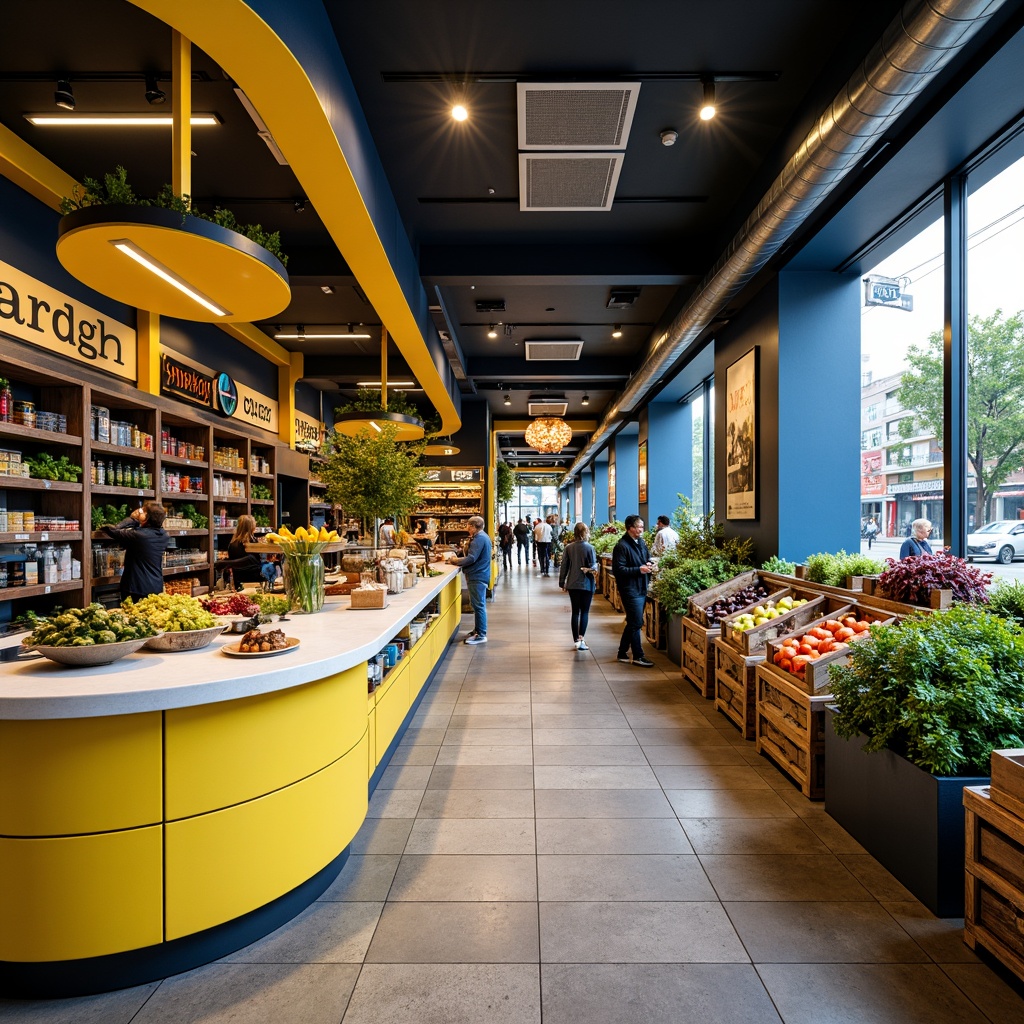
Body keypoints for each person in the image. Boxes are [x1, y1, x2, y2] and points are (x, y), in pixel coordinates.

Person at [102, 501, 169, 602]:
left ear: (146, 517)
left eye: (142, 511)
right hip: (156, 586)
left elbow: (111, 530)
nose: (139, 512)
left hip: (136, 588)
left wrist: (133, 519)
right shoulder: (164, 535)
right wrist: (139, 520)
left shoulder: (139, 536)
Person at [612, 514, 656, 667]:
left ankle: (622, 652)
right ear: (630, 528)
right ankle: (638, 655)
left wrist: (649, 563)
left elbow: (647, 557)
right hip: (630, 589)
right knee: (637, 622)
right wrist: (639, 569)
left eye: (642, 527)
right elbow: (618, 570)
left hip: (641, 586)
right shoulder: (621, 546)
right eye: (639, 527)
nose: (642, 530)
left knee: (633, 622)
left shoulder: (641, 542)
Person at [452, 515, 492, 644]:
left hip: (477, 575)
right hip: (480, 574)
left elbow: (471, 558)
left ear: (473, 526)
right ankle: (477, 630)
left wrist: (454, 560)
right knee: (477, 605)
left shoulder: (479, 538)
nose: (467, 528)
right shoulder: (482, 537)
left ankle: (481, 634)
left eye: (468, 525)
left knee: (479, 605)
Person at [559, 522, 598, 651]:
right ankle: (581, 639)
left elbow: (564, 565)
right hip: (587, 583)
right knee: (585, 612)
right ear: (586, 532)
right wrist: (591, 569)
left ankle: (575, 639)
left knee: (575, 611)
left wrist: (562, 581)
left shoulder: (569, 548)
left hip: (572, 583)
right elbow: (593, 566)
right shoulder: (590, 548)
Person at [217, 514, 263, 587]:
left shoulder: (233, 543)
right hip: (254, 582)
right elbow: (254, 561)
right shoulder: (253, 542)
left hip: (238, 581)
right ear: (252, 527)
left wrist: (226, 563)